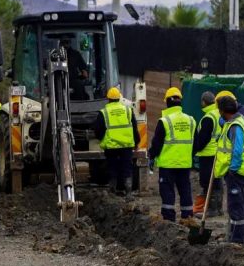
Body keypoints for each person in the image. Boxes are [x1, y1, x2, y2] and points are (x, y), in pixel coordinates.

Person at [214, 90, 244, 239]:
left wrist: (233, 169)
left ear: (222, 110)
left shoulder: (235, 126)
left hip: (236, 172)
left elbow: (237, 150)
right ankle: (234, 236)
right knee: (234, 205)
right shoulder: (237, 119)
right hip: (238, 171)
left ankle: (238, 239)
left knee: (236, 206)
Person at [148, 87, 195, 222]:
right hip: (184, 163)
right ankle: (188, 217)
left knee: (168, 192)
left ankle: (169, 219)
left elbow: (157, 143)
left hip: (168, 165)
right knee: (185, 190)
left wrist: (152, 156)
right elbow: (195, 142)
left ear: (167, 102)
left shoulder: (164, 121)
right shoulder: (191, 120)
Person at [94, 87, 140, 197]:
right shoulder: (128, 110)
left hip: (111, 146)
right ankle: (128, 192)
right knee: (127, 168)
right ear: (119, 98)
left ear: (108, 99)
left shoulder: (103, 112)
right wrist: (137, 142)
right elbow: (134, 127)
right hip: (126, 145)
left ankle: (112, 192)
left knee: (112, 167)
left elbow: (98, 131)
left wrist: (102, 140)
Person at [192, 91, 223, 218]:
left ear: (204, 102)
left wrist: (194, 150)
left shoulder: (208, 117)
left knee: (207, 181)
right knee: (217, 180)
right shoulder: (218, 114)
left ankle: (211, 209)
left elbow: (203, 139)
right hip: (218, 152)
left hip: (208, 154)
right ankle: (218, 208)